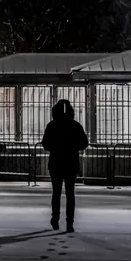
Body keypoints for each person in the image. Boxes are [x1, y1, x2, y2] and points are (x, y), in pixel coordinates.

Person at [41, 99, 89, 232]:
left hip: (56, 163)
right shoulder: (75, 126)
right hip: (71, 163)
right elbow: (84, 143)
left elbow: (45, 144)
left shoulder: (52, 125)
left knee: (56, 193)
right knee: (70, 194)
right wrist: (73, 148)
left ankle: (55, 219)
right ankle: (70, 223)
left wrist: (56, 148)